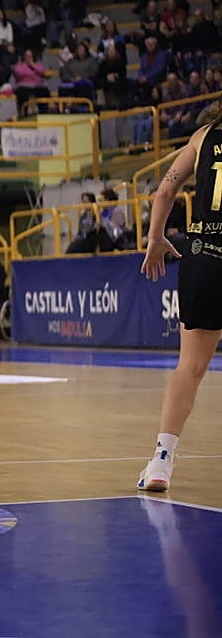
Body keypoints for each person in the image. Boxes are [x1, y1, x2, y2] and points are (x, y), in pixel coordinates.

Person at [137, 114, 222, 492]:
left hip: (205, 254)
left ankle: (162, 461)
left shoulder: (202, 137)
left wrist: (155, 237)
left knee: (189, 367)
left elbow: (164, 191)